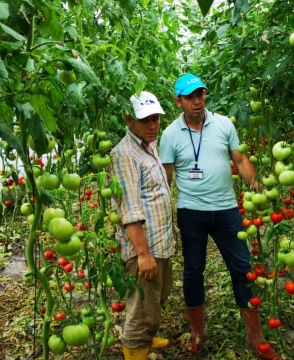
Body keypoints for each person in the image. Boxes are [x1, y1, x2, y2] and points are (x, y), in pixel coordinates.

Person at [158, 74, 277, 359]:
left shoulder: (223, 123)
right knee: (193, 271)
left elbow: (240, 159)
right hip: (191, 212)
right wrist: (160, 217)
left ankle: (255, 335)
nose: (197, 101)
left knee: (242, 268)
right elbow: (166, 178)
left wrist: (256, 185)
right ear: (178, 102)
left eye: (200, 94)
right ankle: (198, 332)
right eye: (190, 97)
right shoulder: (170, 134)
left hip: (226, 209)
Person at [110, 91, 175, 360]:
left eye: (156, 119)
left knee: (155, 299)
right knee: (141, 311)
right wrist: (143, 255)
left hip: (159, 242)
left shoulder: (148, 145)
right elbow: (130, 210)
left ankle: (145, 340)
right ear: (129, 120)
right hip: (144, 248)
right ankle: (136, 346)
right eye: (145, 120)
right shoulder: (125, 155)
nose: (152, 126)